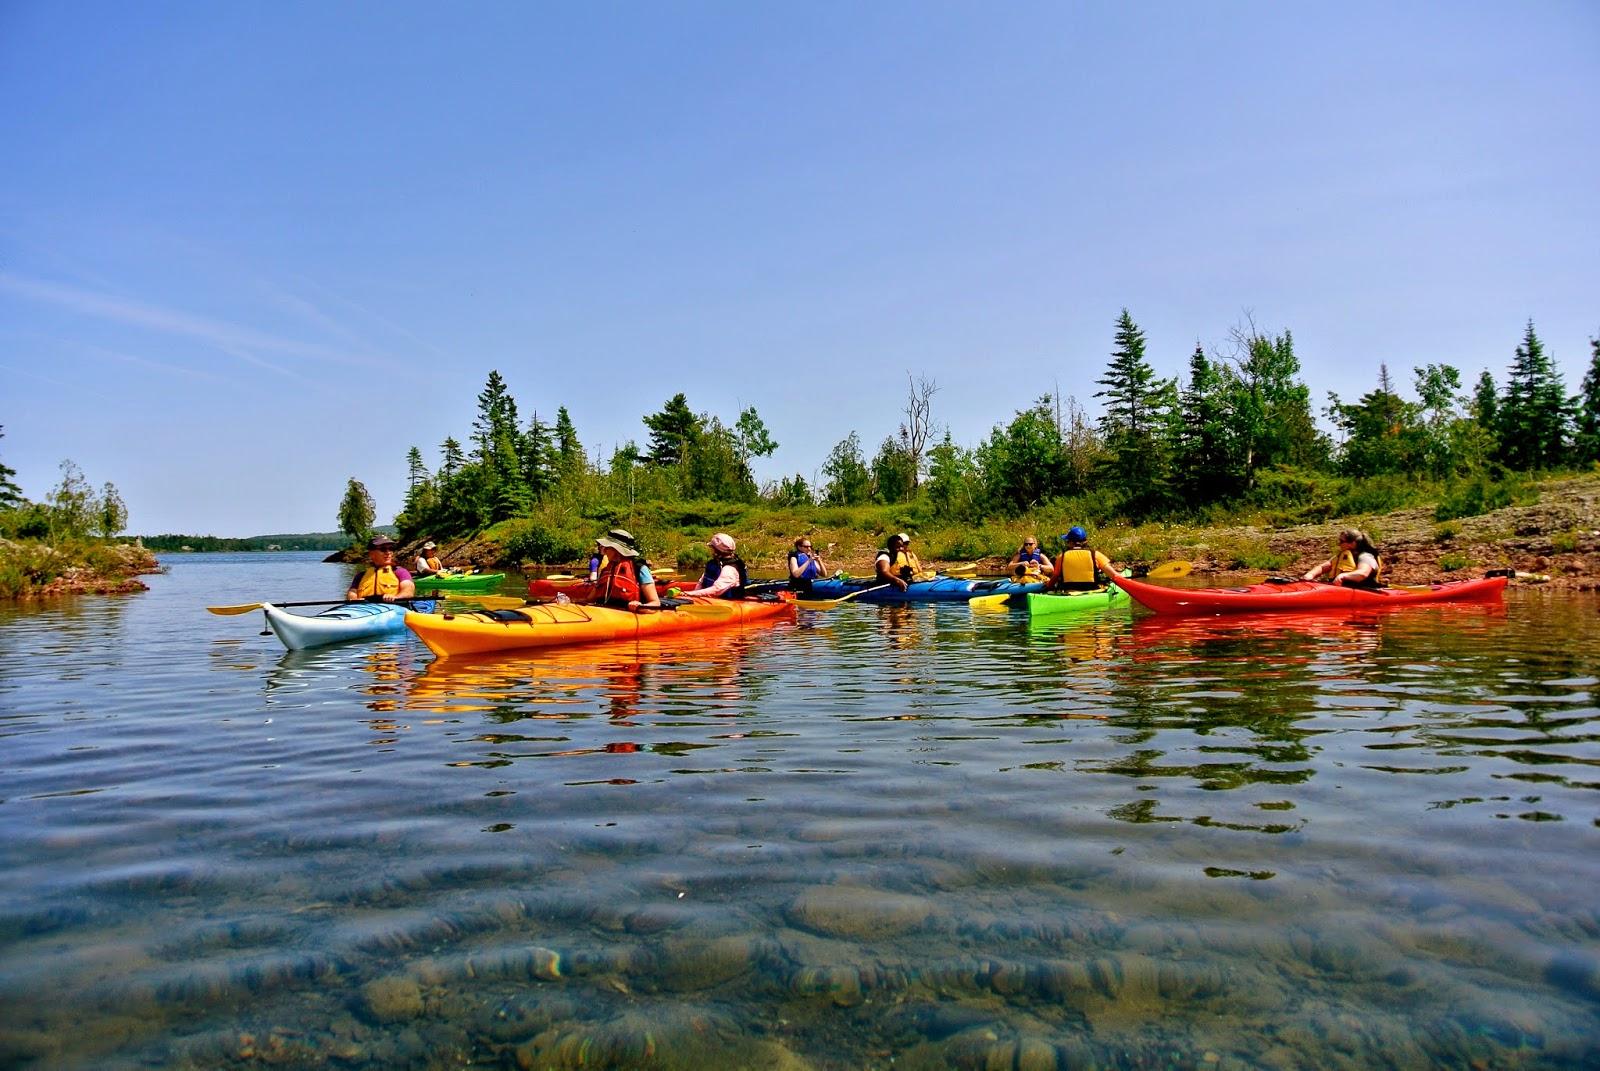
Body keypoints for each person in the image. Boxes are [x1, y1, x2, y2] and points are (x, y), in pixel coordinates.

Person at [581, 528, 662, 612]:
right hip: (605, 616)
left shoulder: (639, 569)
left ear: (617, 550)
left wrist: (641, 606)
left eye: (607, 548)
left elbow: (655, 603)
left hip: (629, 617)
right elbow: (590, 599)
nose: (604, 552)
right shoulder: (605, 570)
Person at [1303, 527, 1384, 588]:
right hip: (1340, 589)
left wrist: (1343, 576)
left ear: (1352, 543)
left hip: (1363, 589)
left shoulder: (1366, 556)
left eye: (1341, 541)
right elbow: (1322, 567)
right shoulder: (1341, 556)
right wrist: (1310, 574)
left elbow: (1363, 573)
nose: (1339, 544)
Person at [1047, 526, 1118, 592]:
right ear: (1085, 542)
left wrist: (1049, 587)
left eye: (1068, 541)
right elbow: (1114, 575)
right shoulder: (1095, 555)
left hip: (1068, 592)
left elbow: (1054, 577)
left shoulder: (1062, 557)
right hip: (1092, 591)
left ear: (1071, 542)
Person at [347, 534, 416, 601]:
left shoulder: (400, 572)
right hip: (366, 608)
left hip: (393, 607)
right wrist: (354, 599)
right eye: (383, 549)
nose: (388, 552)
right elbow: (352, 592)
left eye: (391, 548)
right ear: (371, 554)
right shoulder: (361, 576)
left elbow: (408, 591)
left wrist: (396, 597)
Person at [681, 533, 748, 599]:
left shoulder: (729, 569)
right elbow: (701, 582)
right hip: (711, 600)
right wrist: (694, 594)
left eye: (712, 548)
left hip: (727, 602)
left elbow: (716, 590)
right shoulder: (714, 563)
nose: (710, 551)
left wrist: (690, 594)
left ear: (717, 551)